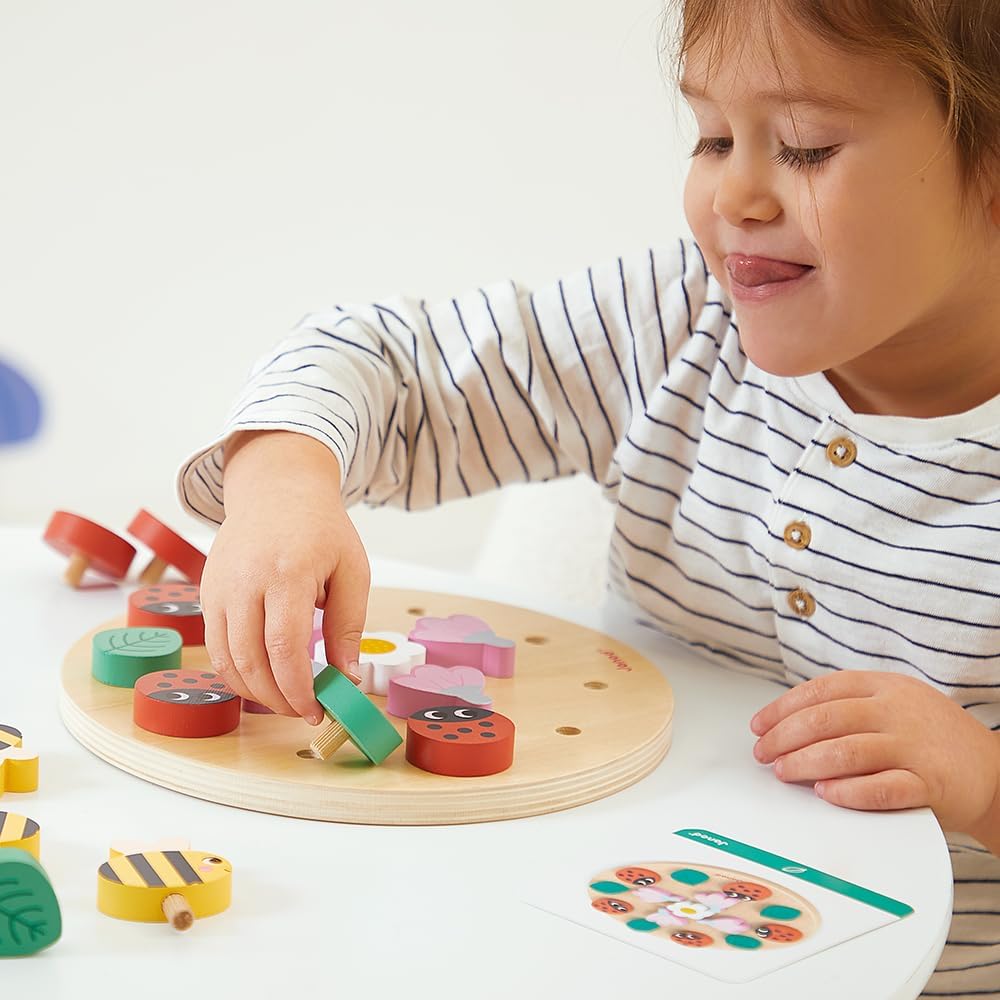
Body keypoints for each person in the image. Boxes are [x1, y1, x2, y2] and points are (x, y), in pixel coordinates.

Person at [177, 1, 1000, 993]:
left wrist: (983, 781)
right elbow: (378, 360)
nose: (731, 193)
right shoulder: (679, 321)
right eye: (710, 136)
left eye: (804, 147)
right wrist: (282, 482)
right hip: (586, 935)